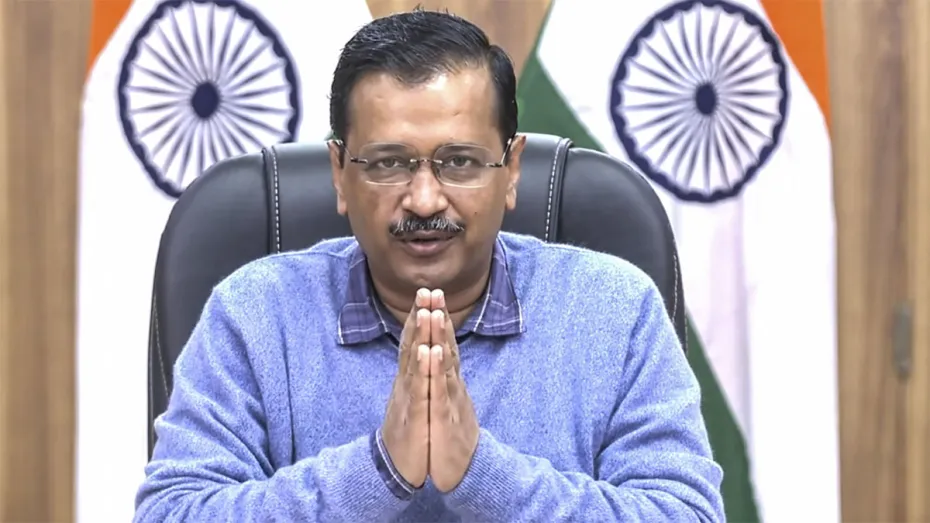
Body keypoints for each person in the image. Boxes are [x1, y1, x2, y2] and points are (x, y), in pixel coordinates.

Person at [134, 9, 725, 523]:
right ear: (339, 173)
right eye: (388, 163)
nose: (423, 200)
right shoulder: (254, 313)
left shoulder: (614, 310)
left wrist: (482, 472)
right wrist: (378, 469)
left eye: (460, 162)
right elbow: (171, 512)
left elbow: (688, 513)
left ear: (512, 170)